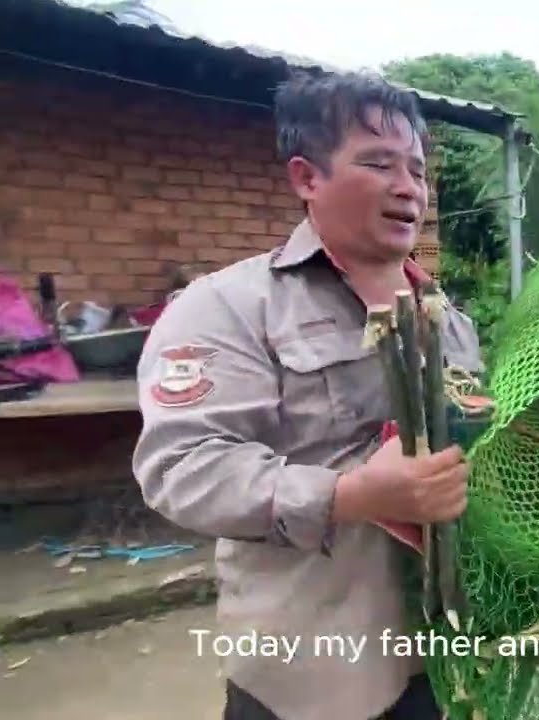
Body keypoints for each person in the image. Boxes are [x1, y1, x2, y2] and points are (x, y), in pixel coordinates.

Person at [131, 71, 472, 720]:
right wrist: (351, 497)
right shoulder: (228, 306)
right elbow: (181, 468)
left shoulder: (449, 320)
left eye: (418, 171)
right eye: (377, 163)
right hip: (310, 673)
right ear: (306, 178)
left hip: (444, 658)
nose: (408, 187)